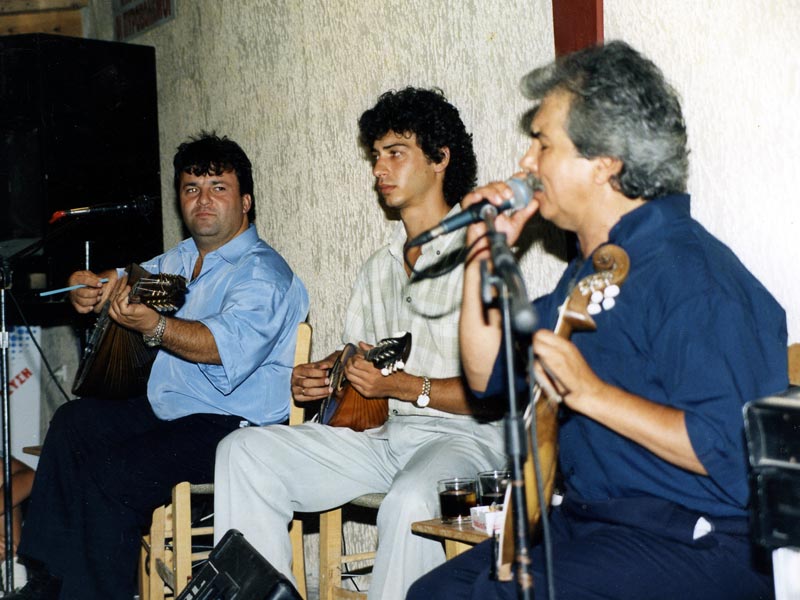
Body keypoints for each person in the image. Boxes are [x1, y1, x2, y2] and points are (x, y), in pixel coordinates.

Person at [408, 41, 787, 600]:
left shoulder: (695, 277)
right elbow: (487, 375)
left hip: (695, 541)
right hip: (589, 524)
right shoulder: (596, 272)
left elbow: (733, 455)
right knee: (433, 594)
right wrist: (483, 254)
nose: (526, 163)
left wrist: (590, 394)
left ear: (605, 162)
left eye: (542, 143)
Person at [214, 87, 507, 600]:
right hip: (388, 439)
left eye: (396, 153)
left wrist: (402, 386)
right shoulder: (379, 268)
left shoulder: (480, 256)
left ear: (440, 159)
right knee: (243, 451)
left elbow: (498, 393)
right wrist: (326, 375)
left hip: (469, 444)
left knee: (411, 499)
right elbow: (363, 361)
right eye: (376, 155)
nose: (379, 169)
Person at [9, 133, 309, 600]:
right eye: (191, 188)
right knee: (73, 423)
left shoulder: (263, 273)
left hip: (236, 427)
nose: (203, 200)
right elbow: (123, 279)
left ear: (246, 202)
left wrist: (157, 326)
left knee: (111, 473)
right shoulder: (183, 257)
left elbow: (217, 346)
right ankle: (49, 582)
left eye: (218, 187)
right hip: (171, 414)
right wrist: (86, 286)